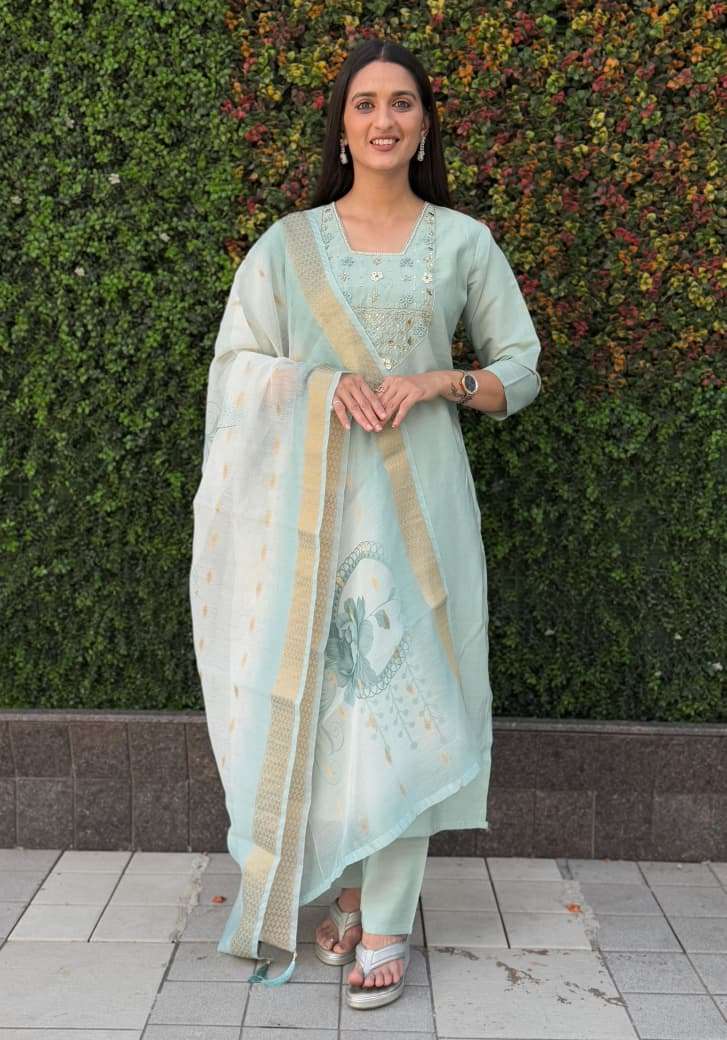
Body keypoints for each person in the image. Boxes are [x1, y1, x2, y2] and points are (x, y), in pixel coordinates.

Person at [189, 37, 542, 1011]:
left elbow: (519, 367)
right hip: (313, 511)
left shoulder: (462, 241)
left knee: (407, 698)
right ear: (341, 129)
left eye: (401, 103)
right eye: (364, 103)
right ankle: (347, 885)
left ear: (424, 125)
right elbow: (235, 367)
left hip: (422, 501)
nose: (383, 119)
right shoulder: (287, 246)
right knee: (332, 701)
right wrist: (317, 383)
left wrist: (437, 381)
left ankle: (386, 916)